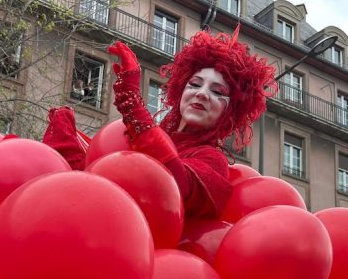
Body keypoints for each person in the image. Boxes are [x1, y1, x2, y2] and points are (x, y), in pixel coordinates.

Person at [42, 27, 277, 218]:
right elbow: (92, 181)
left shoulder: (211, 159)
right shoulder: (130, 136)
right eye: (195, 84)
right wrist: (65, 133)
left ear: (230, 111)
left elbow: (172, 183)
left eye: (217, 92)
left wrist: (131, 101)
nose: (202, 94)